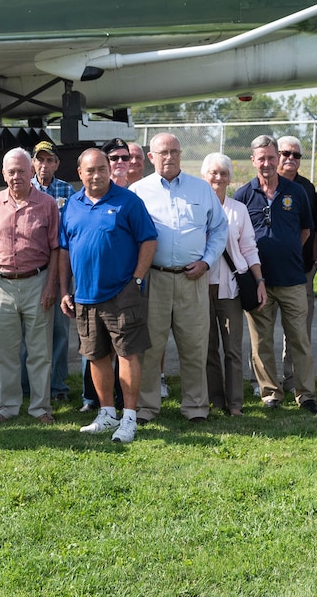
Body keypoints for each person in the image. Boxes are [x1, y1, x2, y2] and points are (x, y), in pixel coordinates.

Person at [59, 148, 157, 444]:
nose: (97, 174)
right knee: (96, 356)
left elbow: (149, 240)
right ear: (80, 173)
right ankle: (106, 413)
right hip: (85, 296)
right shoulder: (71, 206)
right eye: (91, 170)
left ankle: (129, 417)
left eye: (102, 168)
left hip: (122, 294)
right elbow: (64, 250)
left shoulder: (128, 201)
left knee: (127, 354)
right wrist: (65, 290)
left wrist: (136, 279)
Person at [131, 133, 227, 424]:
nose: (169, 157)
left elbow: (219, 229)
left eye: (174, 151)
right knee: (150, 348)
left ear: (181, 154)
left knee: (195, 346)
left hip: (192, 279)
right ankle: (146, 408)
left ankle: (196, 408)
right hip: (154, 280)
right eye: (163, 152)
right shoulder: (138, 192)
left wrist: (207, 262)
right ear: (151, 157)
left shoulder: (201, 189)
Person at [0, 147, 61, 425]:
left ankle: (40, 408)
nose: (16, 176)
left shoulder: (47, 204)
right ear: (3, 174)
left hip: (37, 282)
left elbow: (56, 249)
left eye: (22, 171)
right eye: (11, 171)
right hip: (1, 286)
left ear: (31, 171)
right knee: (7, 352)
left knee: (39, 352)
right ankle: (8, 406)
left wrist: (51, 287)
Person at [236, 135, 317, 413]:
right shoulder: (244, 195)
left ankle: (306, 394)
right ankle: (271, 393)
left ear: (278, 158)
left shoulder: (296, 193)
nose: (268, 163)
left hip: (293, 279)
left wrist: (287, 249)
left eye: (273, 157)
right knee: (261, 342)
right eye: (262, 158)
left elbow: (306, 230)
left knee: (300, 341)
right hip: (258, 283)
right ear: (253, 160)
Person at [202, 153, 265, 415]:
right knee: (207, 349)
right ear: (204, 176)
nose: (218, 178)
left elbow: (249, 248)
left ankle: (236, 403)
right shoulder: (197, 207)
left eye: (223, 173)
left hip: (231, 287)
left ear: (230, 178)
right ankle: (215, 401)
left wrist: (259, 280)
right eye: (213, 173)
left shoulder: (238, 210)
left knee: (233, 350)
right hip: (201, 287)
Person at [29, 140, 76, 402]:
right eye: (40, 159)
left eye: (50, 160)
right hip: (32, 269)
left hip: (60, 269)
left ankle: (57, 386)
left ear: (57, 164)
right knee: (31, 331)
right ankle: (28, 385)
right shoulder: (23, 188)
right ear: (32, 163)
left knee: (59, 329)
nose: (44, 165)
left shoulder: (67, 191)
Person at [275, 135, 317, 391]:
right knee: (262, 331)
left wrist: (312, 258)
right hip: (267, 271)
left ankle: (292, 380)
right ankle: (264, 382)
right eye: (286, 153)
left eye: (296, 155)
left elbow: (311, 228)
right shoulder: (266, 184)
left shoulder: (306, 188)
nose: (291, 159)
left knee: (298, 331)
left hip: (300, 270)